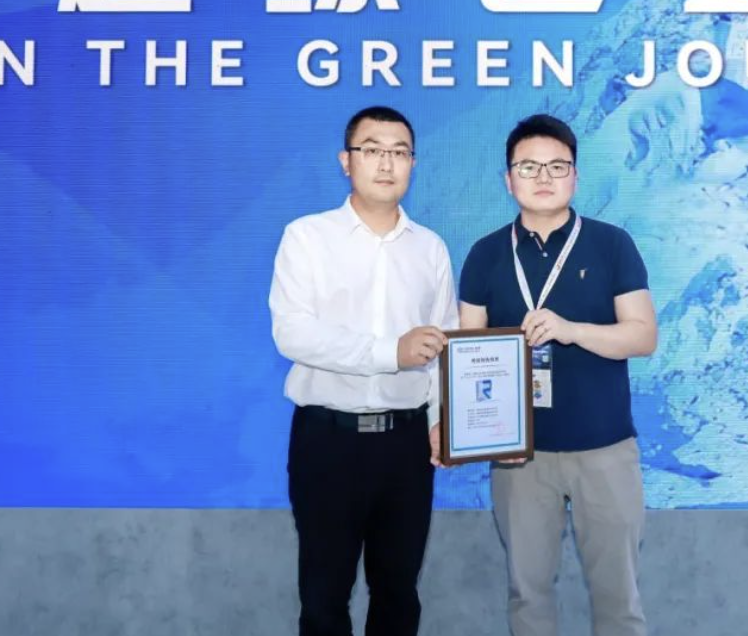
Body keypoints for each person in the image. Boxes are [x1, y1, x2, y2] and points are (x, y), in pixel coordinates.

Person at [458, 114, 657, 636]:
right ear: (508, 179)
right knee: (528, 596)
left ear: (575, 175)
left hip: (605, 450)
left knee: (618, 598)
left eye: (557, 166)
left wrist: (572, 330)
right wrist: (476, 431)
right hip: (519, 456)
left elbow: (643, 336)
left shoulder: (612, 245)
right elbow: (468, 352)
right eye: (528, 166)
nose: (543, 176)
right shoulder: (484, 255)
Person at [269, 105, 458, 636]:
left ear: (413, 163)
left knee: (398, 593)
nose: (386, 163)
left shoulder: (430, 248)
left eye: (399, 152)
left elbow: (445, 345)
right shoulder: (307, 237)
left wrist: (442, 421)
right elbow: (293, 334)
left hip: (406, 445)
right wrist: (390, 352)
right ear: (345, 160)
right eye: (372, 150)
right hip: (328, 441)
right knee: (324, 597)